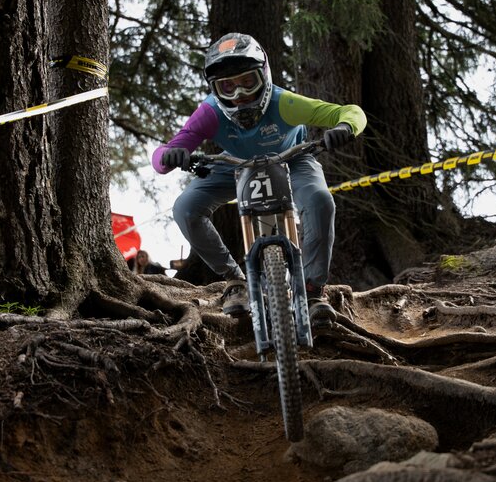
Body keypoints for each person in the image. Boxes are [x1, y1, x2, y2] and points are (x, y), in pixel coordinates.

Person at [151, 32, 366, 322]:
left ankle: (313, 290)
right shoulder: (210, 113)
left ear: (263, 76)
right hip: (235, 165)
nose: (239, 95)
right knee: (185, 208)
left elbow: (350, 112)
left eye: (247, 83)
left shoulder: (285, 103)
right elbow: (165, 154)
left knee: (319, 201)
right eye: (228, 87)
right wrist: (170, 156)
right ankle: (234, 281)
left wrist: (345, 127)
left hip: (293, 158)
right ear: (216, 89)